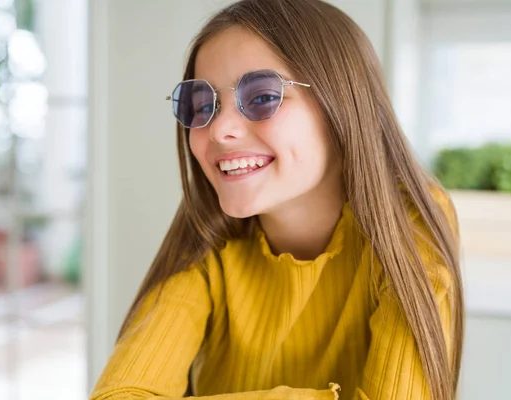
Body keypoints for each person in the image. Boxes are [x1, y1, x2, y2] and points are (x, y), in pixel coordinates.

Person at [90, 1, 464, 399]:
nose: (219, 130)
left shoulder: (408, 219)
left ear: (345, 103)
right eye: (201, 106)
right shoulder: (208, 237)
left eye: (264, 97)